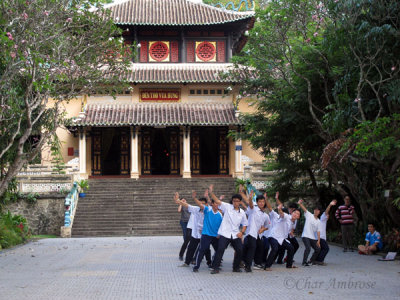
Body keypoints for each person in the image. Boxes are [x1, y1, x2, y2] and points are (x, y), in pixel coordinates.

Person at [208, 184, 248, 274]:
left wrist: (242, 232)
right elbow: (218, 201)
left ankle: (236, 267)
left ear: (240, 202)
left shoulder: (242, 213)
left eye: (237, 201)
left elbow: (245, 224)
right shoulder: (227, 207)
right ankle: (215, 268)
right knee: (220, 249)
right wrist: (211, 193)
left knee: (239, 250)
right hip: (225, 233)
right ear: (232, 201)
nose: (235, 203)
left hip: (235, 234)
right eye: (234, 201)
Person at [264, 197, 301, 271]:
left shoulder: (293, 223)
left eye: (297, 214)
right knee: (275, 248)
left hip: (282, 238)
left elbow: (290, 229)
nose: (295, 214)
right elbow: (281, 213)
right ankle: (267, 266)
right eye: (294, 212)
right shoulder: (287, 216)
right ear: (292, 213)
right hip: (274, 236)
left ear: (298, 217)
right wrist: (279, 209)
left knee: (291, 248)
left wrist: (291, 233)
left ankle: (289, 265)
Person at [192, 189, 223, 272]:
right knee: (202, 250)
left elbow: (221, 226)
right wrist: (195, 198)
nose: (217, 205)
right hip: (206, 234)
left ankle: (214, 264)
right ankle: (196, 266)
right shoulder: (208, 210)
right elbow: (200, 205)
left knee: (219, 250)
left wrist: (219, 234)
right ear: (212, 204)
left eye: (218, 203)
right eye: (215, 203)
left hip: (215, 236)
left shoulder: (220, 214)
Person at [174, 192, 208, 267]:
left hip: (205, 233)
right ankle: (187, 262)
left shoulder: (208, 211)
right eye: (200, 203)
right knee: (190, 248)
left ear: (206, 204)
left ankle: (210, 263)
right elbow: (186, 205)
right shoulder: (196, 209)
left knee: (206, 249)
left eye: (203, 203)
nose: (201, 205)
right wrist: (178, 200)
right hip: (195, 234)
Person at [240, 188, 270, 272]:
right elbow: (250, 204)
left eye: (263, 202)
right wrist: (249, 197)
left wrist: (263, 229)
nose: (261, 203)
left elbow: (268, 226)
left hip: (258, 235)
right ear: (257, 202)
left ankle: (255, 263)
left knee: (260, 247)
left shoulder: (266, 215)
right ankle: (247, 266)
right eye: (259, 201)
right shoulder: (254, 209)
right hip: (251, 233)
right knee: (252, 248)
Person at [298, 199, 321, 266]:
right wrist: (300, 204)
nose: (316, 211)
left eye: (317, 210)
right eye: (315, 210)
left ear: (319, 212)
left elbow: (318, 231)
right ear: (314, 210)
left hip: (312, 237)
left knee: (318, 249)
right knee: (308, 248)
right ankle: (304, 262)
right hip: (305, 236)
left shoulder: (319, 221)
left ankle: (311, 260)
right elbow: (304, 209)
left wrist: (318, 241)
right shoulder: (309, 215)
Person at [315, 200, 337, 265]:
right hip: (320, 237)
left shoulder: (318, 220)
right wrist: (330, 205)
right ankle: (319, 260)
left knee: (321, 249)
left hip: (318, 237)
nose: (328, 216)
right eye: (327, 215)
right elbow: (326, 211)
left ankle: (316, 260)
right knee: (326, 248)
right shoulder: (322, 219)